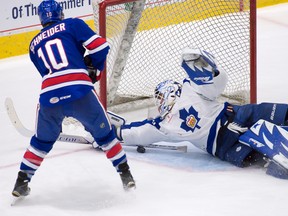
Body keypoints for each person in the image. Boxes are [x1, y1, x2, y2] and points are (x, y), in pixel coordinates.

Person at [12, 0, 135, 198]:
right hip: (80, 91)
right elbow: (100, 47)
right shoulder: (72, 24)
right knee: (105, 137)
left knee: (41, 143)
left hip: (49, 97)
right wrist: (95, 68)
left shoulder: (33, 44)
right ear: (60, 14)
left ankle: (21, 181)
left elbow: (47, 73)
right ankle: (125, 175)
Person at [115, 47, 288, 179]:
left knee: (266, 141)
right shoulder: (165, 122)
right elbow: (139, 132)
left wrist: (110, 134)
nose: (160, 103)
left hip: (230, 133)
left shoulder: (187, 93)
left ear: (171, 92)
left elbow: (138, 133)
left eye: (160, 97)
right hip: (229, 137)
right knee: (265, 150)